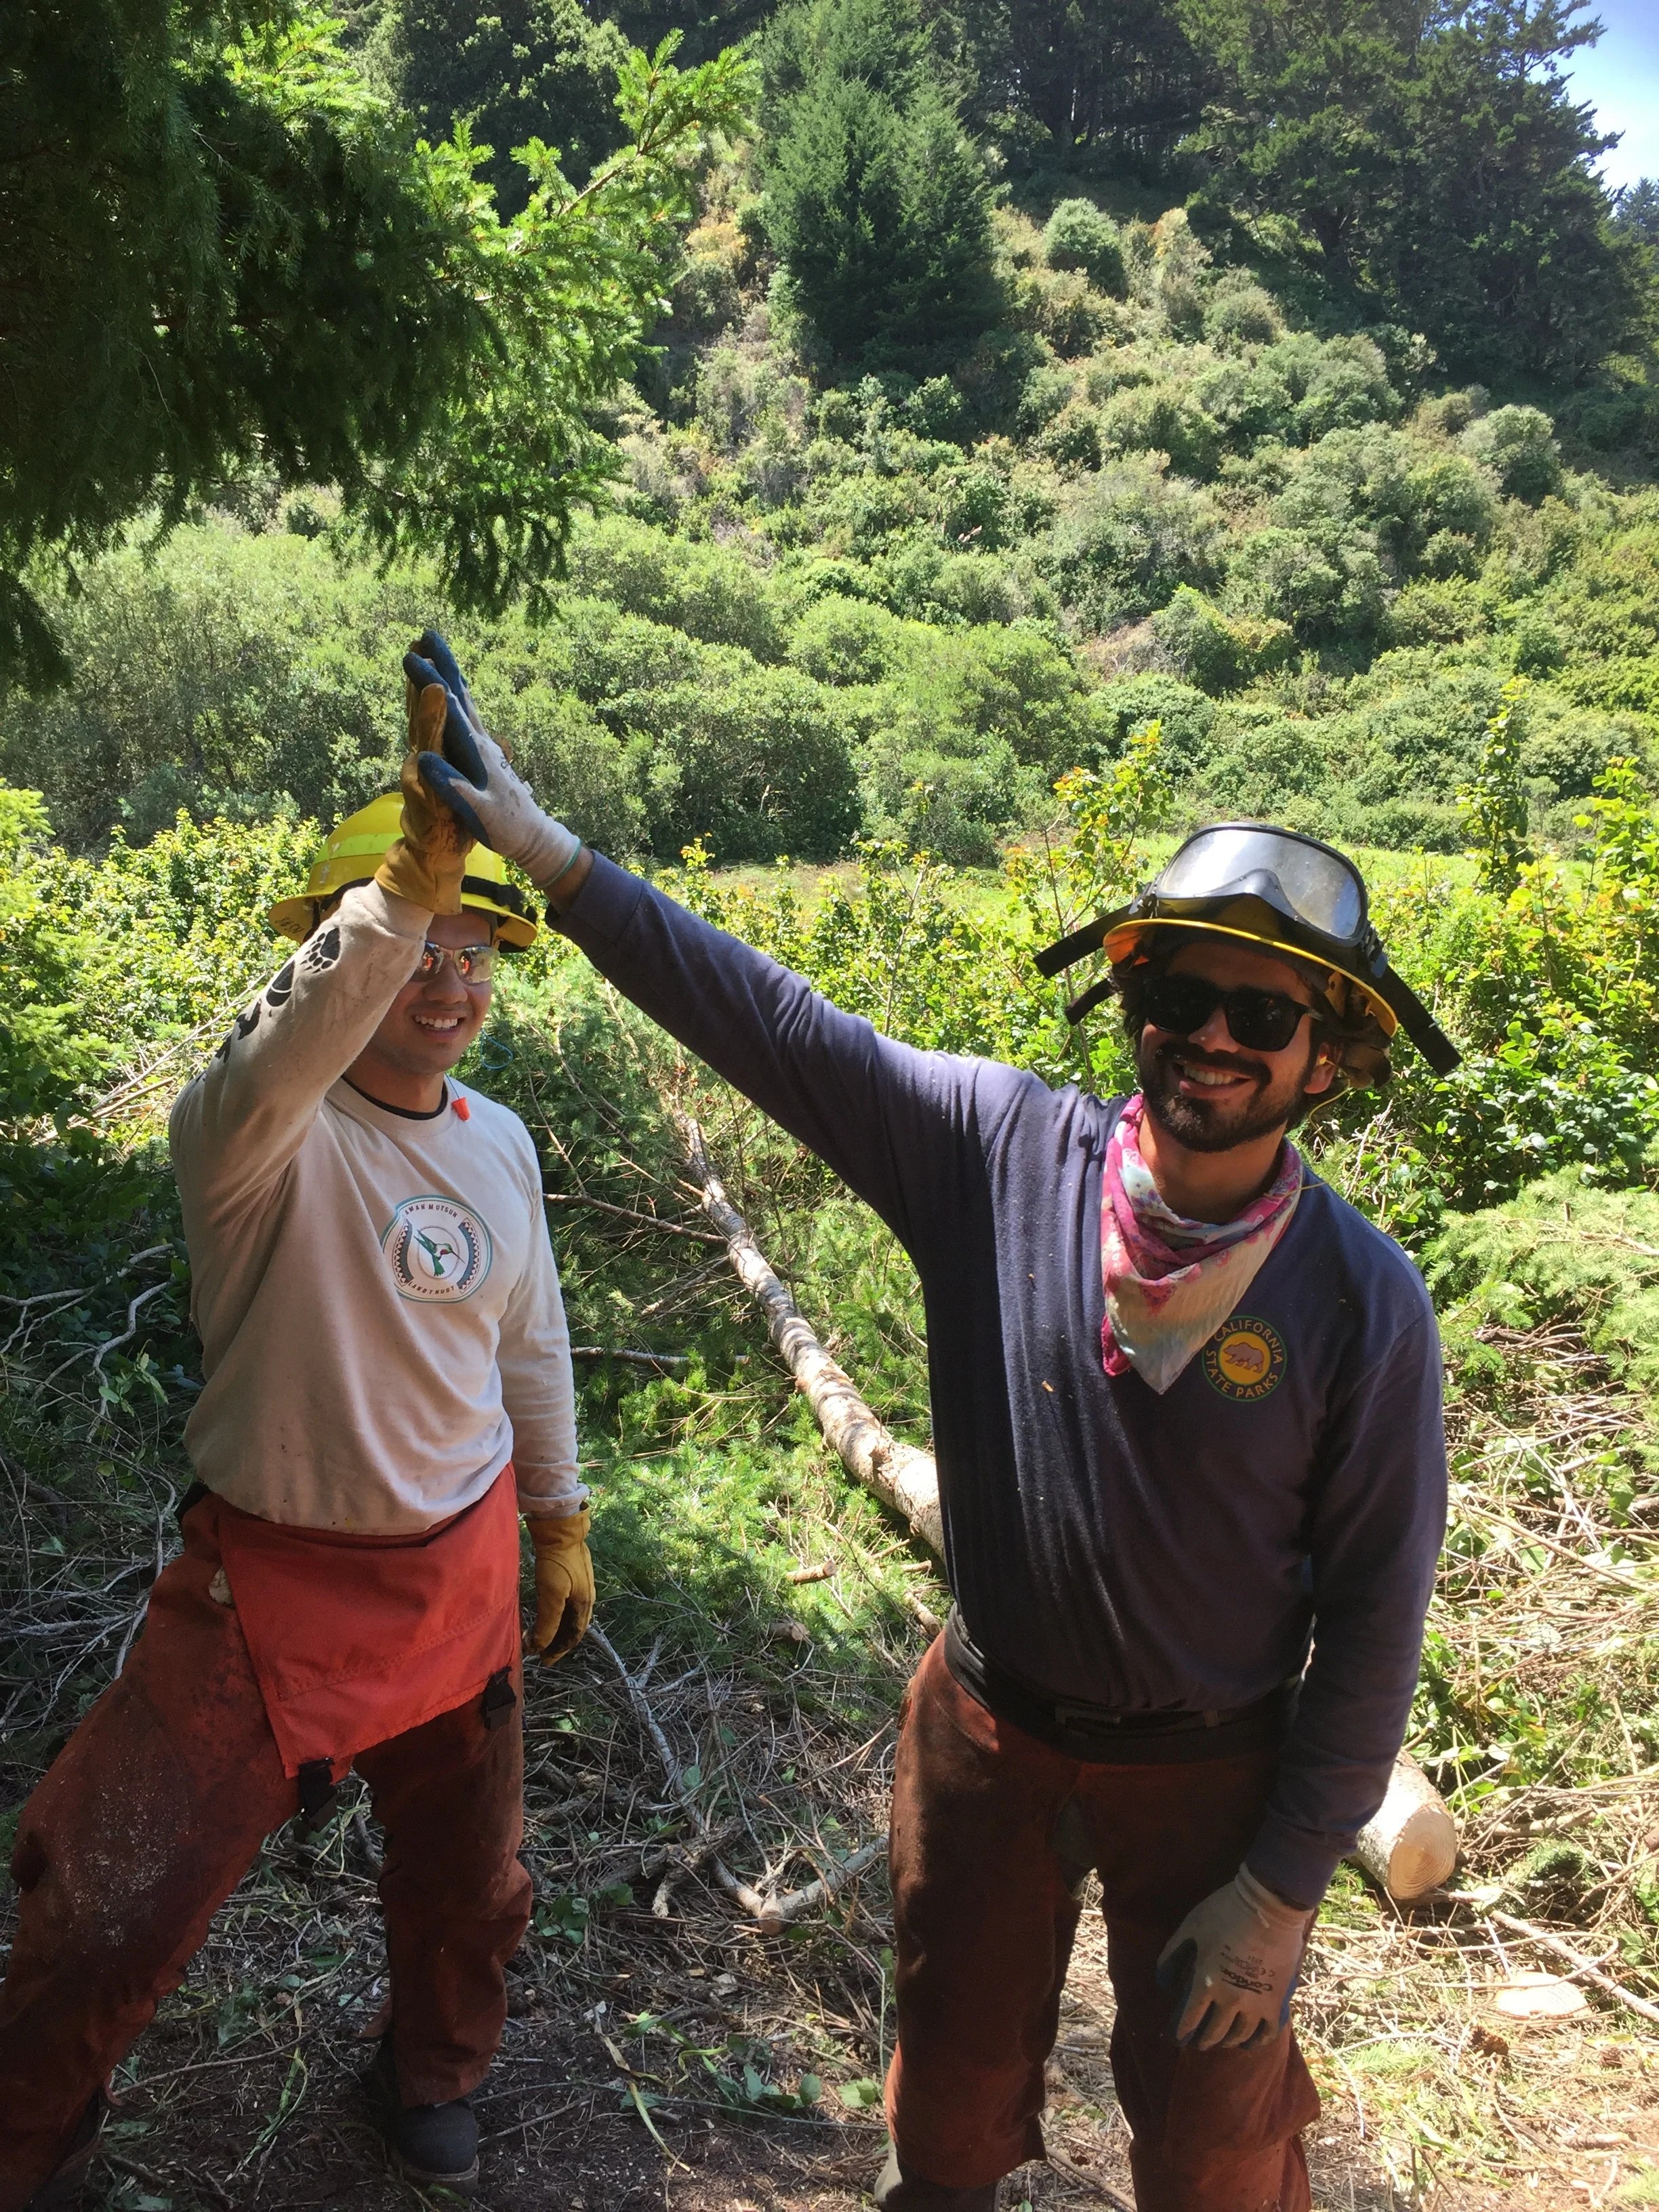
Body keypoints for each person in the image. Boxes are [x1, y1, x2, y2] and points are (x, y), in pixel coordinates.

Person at [408, 642, 1452, 2208]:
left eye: (1261, 1009)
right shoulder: (996, 1154)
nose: (1213, 1036)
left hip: (1220, 1774)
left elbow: (1377, 1619)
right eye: (1178, 994)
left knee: (1220, 2143)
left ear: (1325, 1059)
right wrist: (550, 857)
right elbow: (773, 1024)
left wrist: (1287, 1887)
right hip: (989, 1736)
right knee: (949, 2103)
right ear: (1132, 1002)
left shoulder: (1365, 1304)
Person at [0, 656, 594, 2211]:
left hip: (455, 1575)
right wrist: (406, 877)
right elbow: (289, 1042)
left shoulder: (502, 1146)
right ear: (344, 952)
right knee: (112, 1897)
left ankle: (428, 2076)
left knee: (474, 1890)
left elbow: (525, 1341)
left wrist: (559, 1513)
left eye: (479, 952)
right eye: (419, 948)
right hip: (265, 1582)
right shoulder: (251, 1135)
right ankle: (27, 2134)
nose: (452, 981)